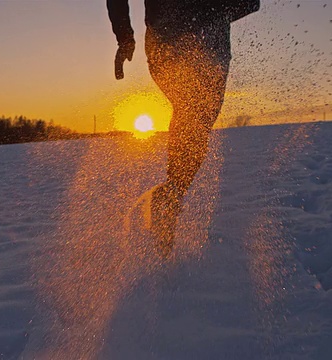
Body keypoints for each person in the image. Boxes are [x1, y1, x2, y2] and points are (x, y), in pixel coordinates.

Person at [107, 0, 260, 257]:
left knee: (195, 119)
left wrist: (125, 37)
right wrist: (124, 36)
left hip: (189, 39)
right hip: (186, 38)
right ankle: (171, 198)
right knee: (195, 115)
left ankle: (171, 197)